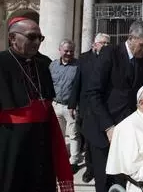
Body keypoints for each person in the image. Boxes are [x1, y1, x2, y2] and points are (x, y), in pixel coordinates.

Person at [0, 17, 74, 192]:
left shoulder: (43, 63)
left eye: (40, 38)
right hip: (9, 143)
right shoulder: (2, 62)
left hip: (41, 140)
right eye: (31, 36)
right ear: (12, 38)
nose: (37, 42)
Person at [85, 20, 143, 192]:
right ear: (131, 38)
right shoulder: (110, 54)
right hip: (102, 129)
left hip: (128, 132)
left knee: (124, 181)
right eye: (142, 45)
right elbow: (93, 93)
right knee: (104, 181)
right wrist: (109, 127)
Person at [68, 33, 110, 183]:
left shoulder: (110, 58)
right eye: (102, 43)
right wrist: (72, 104)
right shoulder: (84, 59)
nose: (105, 46)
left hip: (102, 107)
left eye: (107, 43)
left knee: (100, 141)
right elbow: (77, 82)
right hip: (86, 106)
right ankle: (90, 169)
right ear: (94, 44)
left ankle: (102, 169)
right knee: (87, 141)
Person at [49, 39, 81, 172]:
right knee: (58, 134)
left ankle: (74, 161)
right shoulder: (53, 65)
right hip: (56, 105)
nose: (69, 53)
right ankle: (59, 157)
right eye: (66, 50)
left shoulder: (79, 66)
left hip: (71, 107)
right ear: (60, 50)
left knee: (73, 134)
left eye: (71, 51)